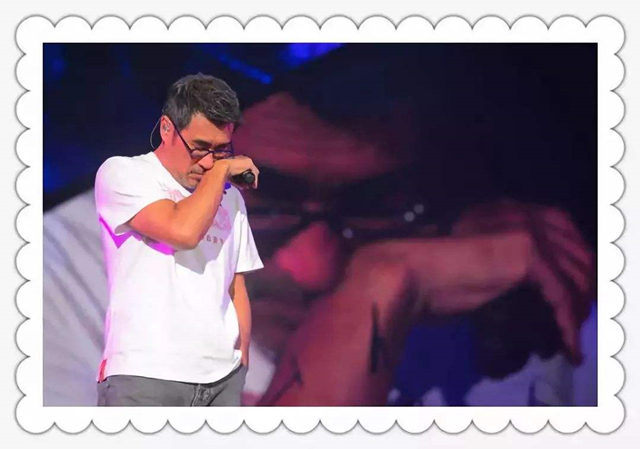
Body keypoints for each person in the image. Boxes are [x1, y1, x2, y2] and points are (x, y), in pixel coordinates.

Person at [93, 73, 263, 406]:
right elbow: (182, 232)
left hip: (221, 380)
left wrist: (240, 359)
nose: (209, 162)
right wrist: (220, 173)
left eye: (221, 150)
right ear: (167, 128)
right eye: (200, 148)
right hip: (145, 375)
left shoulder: (230, 197)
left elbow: (235, 284)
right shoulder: (124, 173)